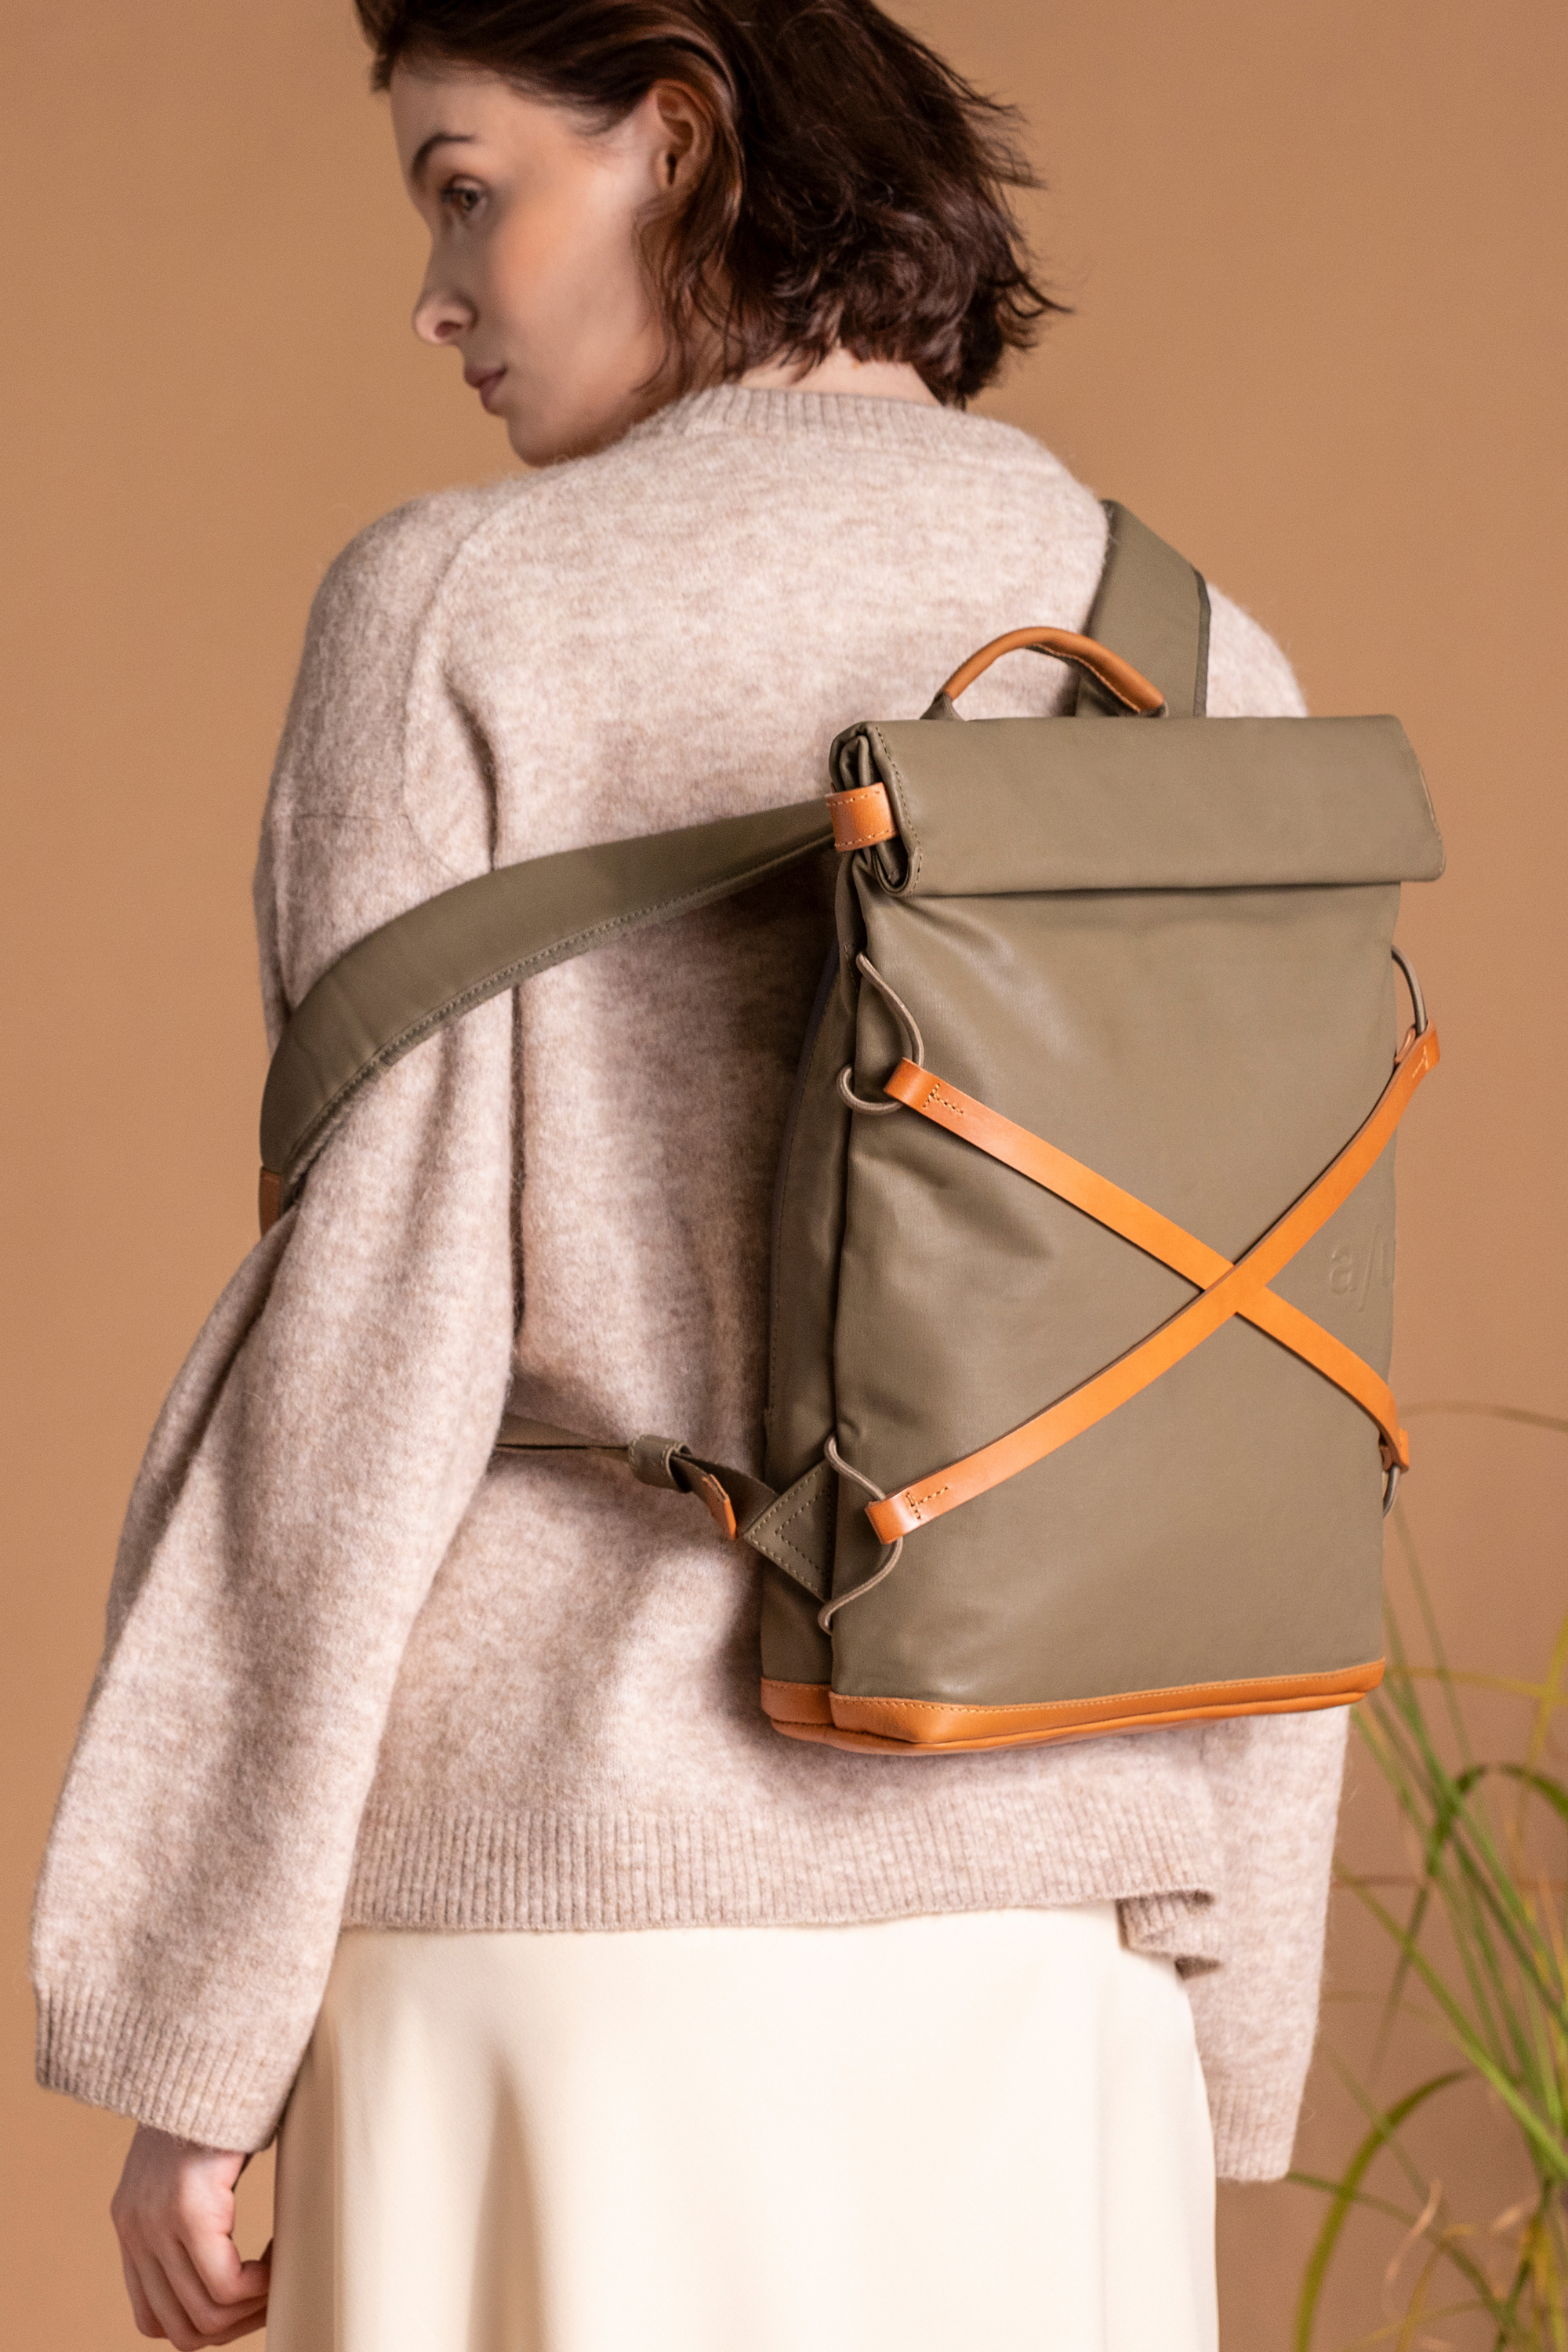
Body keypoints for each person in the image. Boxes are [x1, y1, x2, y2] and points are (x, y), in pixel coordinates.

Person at [32, 4, 1344, 2347]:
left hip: (573, 1950)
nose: (434, 296)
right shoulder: (1196, 645)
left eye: (467, 189)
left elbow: (367, 1353)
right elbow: (1254, 1383)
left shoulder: (459, 608)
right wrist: (1233, 2035)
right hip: (1057, 1986)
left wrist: (192, 2029)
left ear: (676, 140)